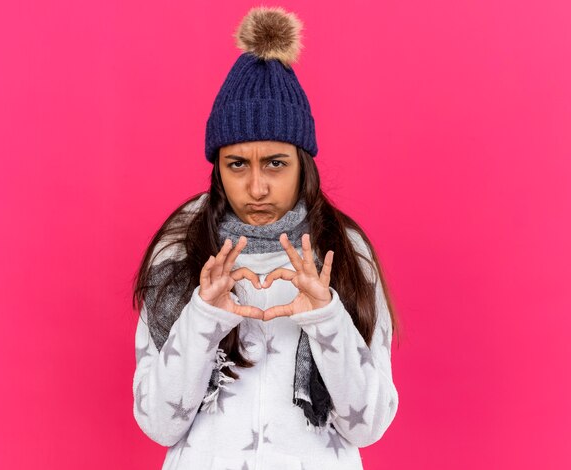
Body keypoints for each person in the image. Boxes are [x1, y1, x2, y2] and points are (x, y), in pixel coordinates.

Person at [131, 6, 400, 470]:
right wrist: (202, 314)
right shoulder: (179, 249)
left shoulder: (345, 250)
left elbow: (368, 426)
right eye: (238, 164)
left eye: (275, 163)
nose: (257, 188)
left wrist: (326, 316)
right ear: (217, 166)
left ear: (303, 163)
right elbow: (159, 423)